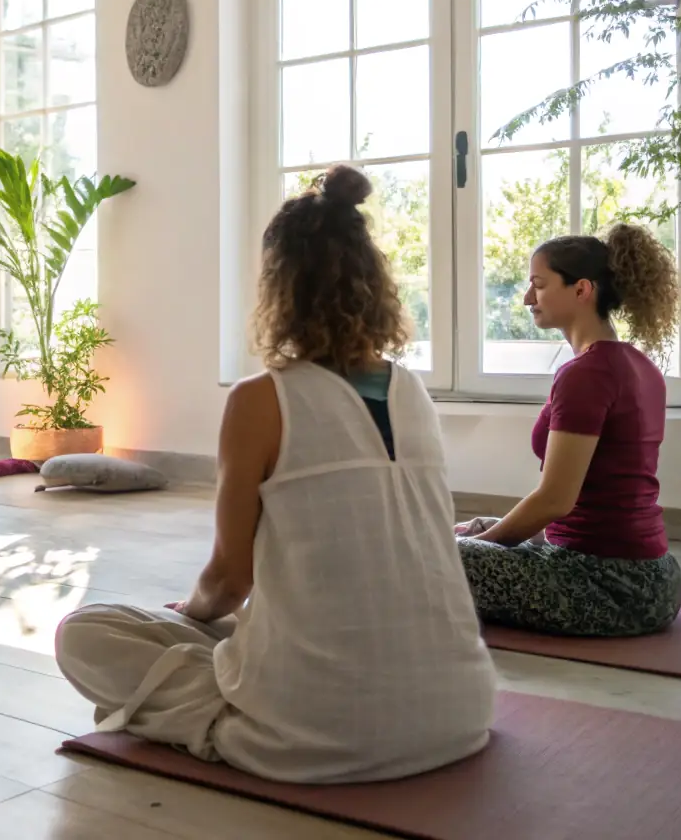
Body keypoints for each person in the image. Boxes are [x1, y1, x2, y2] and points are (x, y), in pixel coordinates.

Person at [54, 166, 496, 785]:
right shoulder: (414, 391)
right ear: (374, 284)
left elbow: (231, 578)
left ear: (277, 286)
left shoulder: (262, 399)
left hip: (317, 737)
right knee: (236, 631)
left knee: (85, 632)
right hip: (462, 710)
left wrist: (194, 612)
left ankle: (221, 724)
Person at [455, 225, 681, 638]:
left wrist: (481, 547)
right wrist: (480, 535)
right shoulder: (638, 364)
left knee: (428, 555)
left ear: (581, 290)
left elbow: (554, 501)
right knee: (467, 530)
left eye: (538, 286)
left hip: (610, 585)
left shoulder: (587, 374)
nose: (528, 298)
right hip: (656, 576)